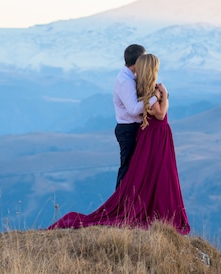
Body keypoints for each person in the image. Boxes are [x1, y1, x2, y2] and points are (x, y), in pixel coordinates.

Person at [48, 53, 190, 235]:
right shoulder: (150, 91)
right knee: (156, 173)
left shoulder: (143, 87)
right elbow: (161, 114)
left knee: (149, 173)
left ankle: (132, 205)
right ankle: (131, 207)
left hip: (156, 134)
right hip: (156, 135)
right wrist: (165, 96)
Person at [113, 44, 159, 189]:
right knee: (127, 169)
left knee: (134, 170)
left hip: (132, 128)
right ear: (138, 62)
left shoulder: (128, 77)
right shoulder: (125, 81)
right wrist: (154, 98)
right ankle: (119, 205)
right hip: (128, 129)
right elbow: (133, 109)